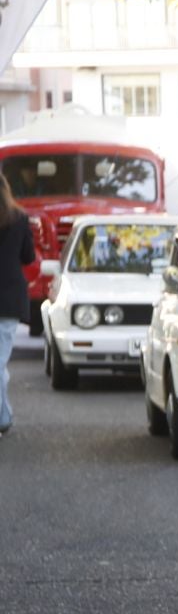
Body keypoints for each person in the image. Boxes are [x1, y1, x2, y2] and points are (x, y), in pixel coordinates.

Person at [0, 172, 37, 436]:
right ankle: (3, 417)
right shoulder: (20, 218)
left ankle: (3, 416)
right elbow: (28, 256)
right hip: (10, 297)